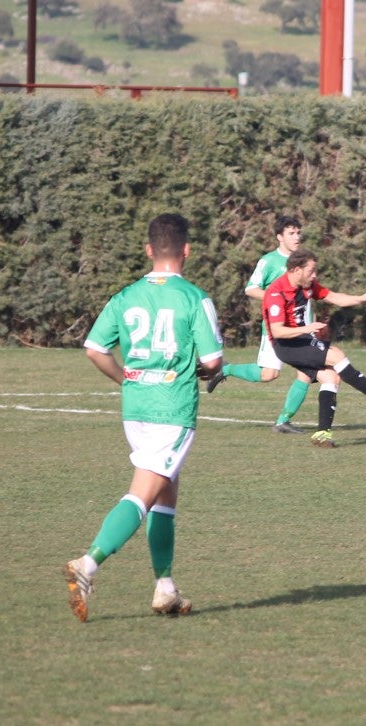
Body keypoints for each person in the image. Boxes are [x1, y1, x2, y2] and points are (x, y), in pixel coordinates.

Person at [63, 213, 225, 623]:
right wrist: (209, 370)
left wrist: (123, 378)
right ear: (187, 251)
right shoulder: (193, 298)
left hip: (135, 407)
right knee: (143, 493)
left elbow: (95, 348)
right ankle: (88, 563)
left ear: (149, 250)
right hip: (172, 408)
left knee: (165, 492)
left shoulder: (126, 295)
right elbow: (212, 360)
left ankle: (165, 588)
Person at [263, 248, 366, 448]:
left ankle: (323, 433)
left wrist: (359, 298)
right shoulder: (276, 292)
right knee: (336, 355)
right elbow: (278, 331)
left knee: (331, 378)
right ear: (297, 270)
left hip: (300, 339)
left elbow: (334, 297)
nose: (315, 275)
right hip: (286, 344)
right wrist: (308, 328)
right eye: (311, 271)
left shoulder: (307, 286)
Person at [205, 215, 310, 434]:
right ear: (279, 237)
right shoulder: (269, 261)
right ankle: (226, 369)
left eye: (298, 232)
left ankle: (283, 421)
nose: (297, 237)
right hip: (277, 327)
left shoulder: (305, 261)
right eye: (291, 233)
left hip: (301, 327)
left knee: (308, 372)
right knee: (268, 375)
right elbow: (251, 289)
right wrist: (277, 299)